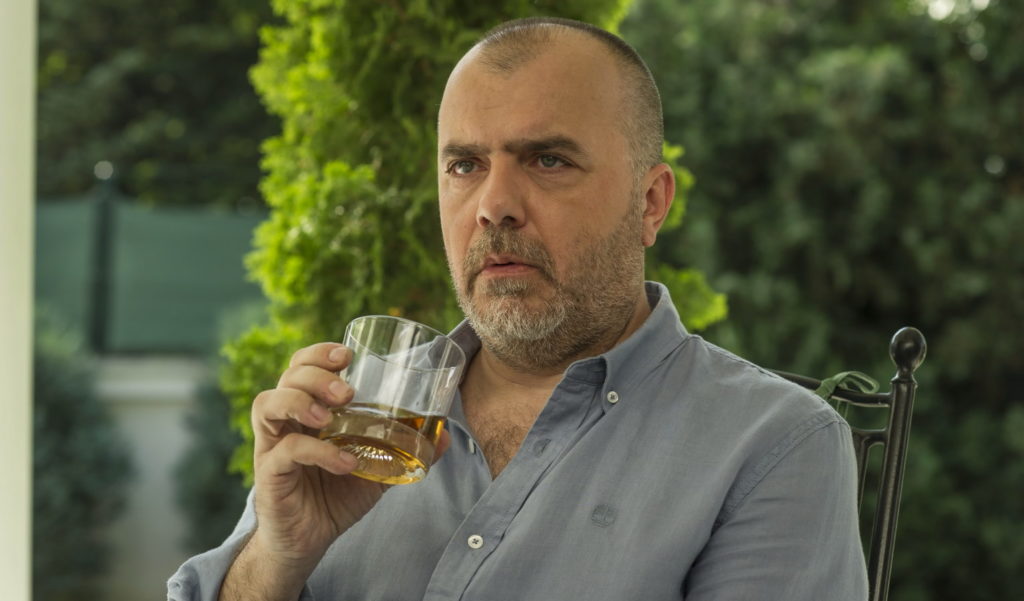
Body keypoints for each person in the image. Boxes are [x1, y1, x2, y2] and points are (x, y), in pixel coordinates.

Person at [168, 17, 868, 601]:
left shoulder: (773, 445)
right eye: (464, 165)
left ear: (650, 202)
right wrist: (277, 558)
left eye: (547, 160)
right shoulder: (362, 413)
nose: (493, 205)